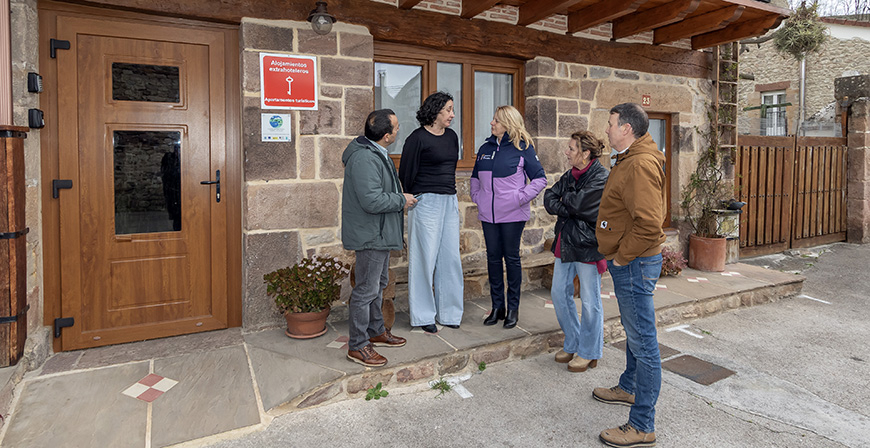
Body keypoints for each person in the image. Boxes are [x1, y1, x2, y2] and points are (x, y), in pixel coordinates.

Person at [594, 103, 666, 448]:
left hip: (635, 263)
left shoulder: (638, 164)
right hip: (632, 262)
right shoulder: (628, 158)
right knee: (635, 332)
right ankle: (629, 386)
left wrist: (622, 258)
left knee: (644, 342)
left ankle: (642, 425)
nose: (606, 129)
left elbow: (650, 224)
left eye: (610, 124)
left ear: (626, 128)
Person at [341, 109, 416, 367]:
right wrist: (401, 200)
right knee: (366, 290)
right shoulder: (364, 158)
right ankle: (358, 345)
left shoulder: (375, 152)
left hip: (379, 233)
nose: (398, 130)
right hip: (371, 235)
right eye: (396, 127)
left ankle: (375, 331)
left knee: (378, 284)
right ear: (386, 136)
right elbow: (371, 200)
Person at [470, 105, 546, 328]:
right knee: (493, 259)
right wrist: (477, 197)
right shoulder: (485, 148)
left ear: (508, 123)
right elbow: (475, 177)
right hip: (489, 215)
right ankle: (497, 307)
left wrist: (519, 198)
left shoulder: (523, 148)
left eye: (496, 120)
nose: (492, 123)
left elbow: (540, 179)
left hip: (513, 214)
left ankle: (513, 308)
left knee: (511, 259)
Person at [398, 92, 464, 334]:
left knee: (450, 258)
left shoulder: (452, 136)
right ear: (435, 111)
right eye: (448, 109)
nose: (452, 114)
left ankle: (450, 313)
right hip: (425, 202)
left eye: (452, 109)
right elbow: (405, 173)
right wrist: (412, 197)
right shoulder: (417, 139)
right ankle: (423, 315)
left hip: (449, 200)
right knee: (424, 259)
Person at [543, 131, 609, 372]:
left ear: (585, 153)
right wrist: (568, 205)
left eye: (571, 149)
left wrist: (567, 202)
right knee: (559, 294)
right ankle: (573, 342)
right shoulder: (570, 174)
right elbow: (549, 196)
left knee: (590, 302)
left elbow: (580, 205)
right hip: (566, 241)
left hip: (588, 245)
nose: (566, 152)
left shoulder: (601, 176)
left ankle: (590, 352)